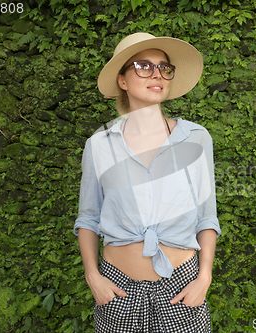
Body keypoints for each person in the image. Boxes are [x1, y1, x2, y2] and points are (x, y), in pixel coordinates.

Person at [73, 32, 222, 332]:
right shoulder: (100, 145)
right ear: (122, 80)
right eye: (144, 66)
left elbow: (206, 217)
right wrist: (93, 278)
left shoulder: (196, 138)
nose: (157, 74)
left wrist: (203, 277)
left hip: (182, 290)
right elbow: (88, 218)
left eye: (164, 68)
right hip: (117, 291)